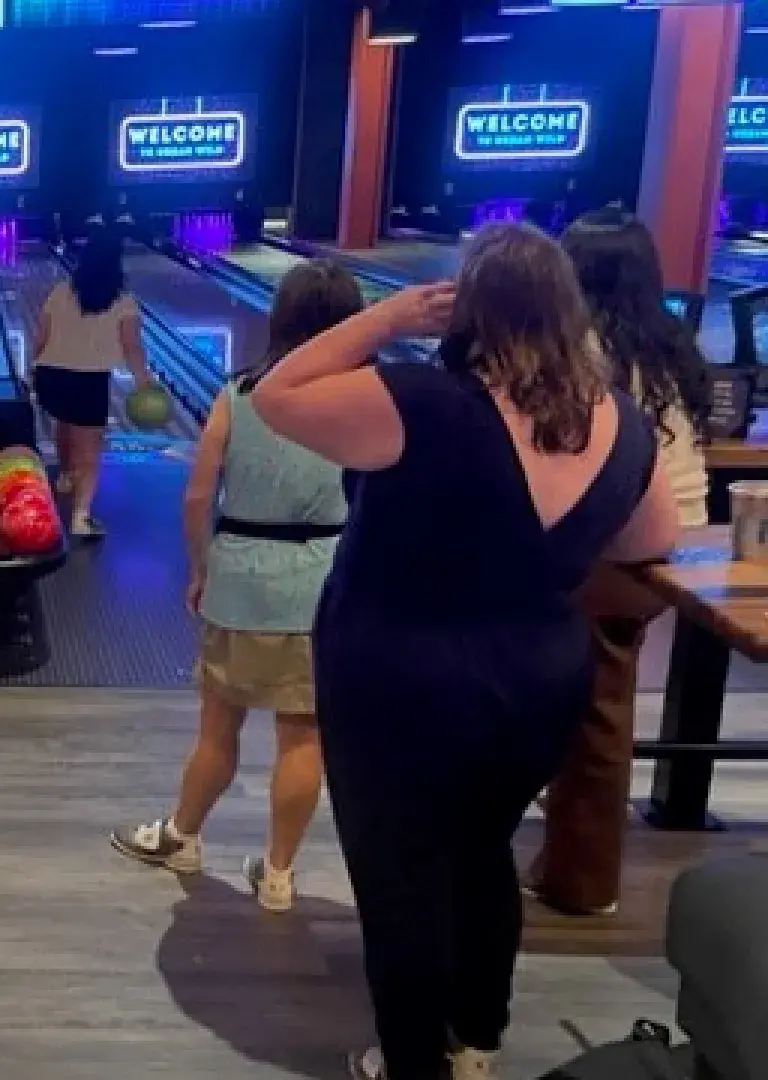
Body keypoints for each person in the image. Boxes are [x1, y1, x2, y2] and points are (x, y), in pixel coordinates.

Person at [250, 222, 681, 1080]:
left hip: (398, 685)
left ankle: (412, 1062)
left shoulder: (417, 401)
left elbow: (276, 392)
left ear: (467, 308)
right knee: (483, 854)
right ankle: (478, 1041)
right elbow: (651, 544)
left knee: (399, 879)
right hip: (537, 687)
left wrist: (388, 317)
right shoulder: (621, 423)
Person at [114, 260, 363, 913]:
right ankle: (277, 875)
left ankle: (181, 837)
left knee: (216, 730)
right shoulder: (364, 399)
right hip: (322, 585)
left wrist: (199, 567)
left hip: (241, 578)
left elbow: (198, 496)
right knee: (302, 739)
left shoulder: (240, 394)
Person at [529, 209, 712, 916]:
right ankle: (562, 833)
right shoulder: (670, 344)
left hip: (619, 552)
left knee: (596, 710)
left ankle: (583, 882)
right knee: (589, 697)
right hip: (676, 543)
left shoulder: (586, 355)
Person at [32, 230, 155, 539]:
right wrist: (143, 380)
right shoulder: (124, 302)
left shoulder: (61, 291)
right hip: (89, 380)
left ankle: (65, 477)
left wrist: (31, 368)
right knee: (89, 451)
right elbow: (131, 346)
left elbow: (42, 334)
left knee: (64, 422)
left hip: (51, 374)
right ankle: (80, 517)